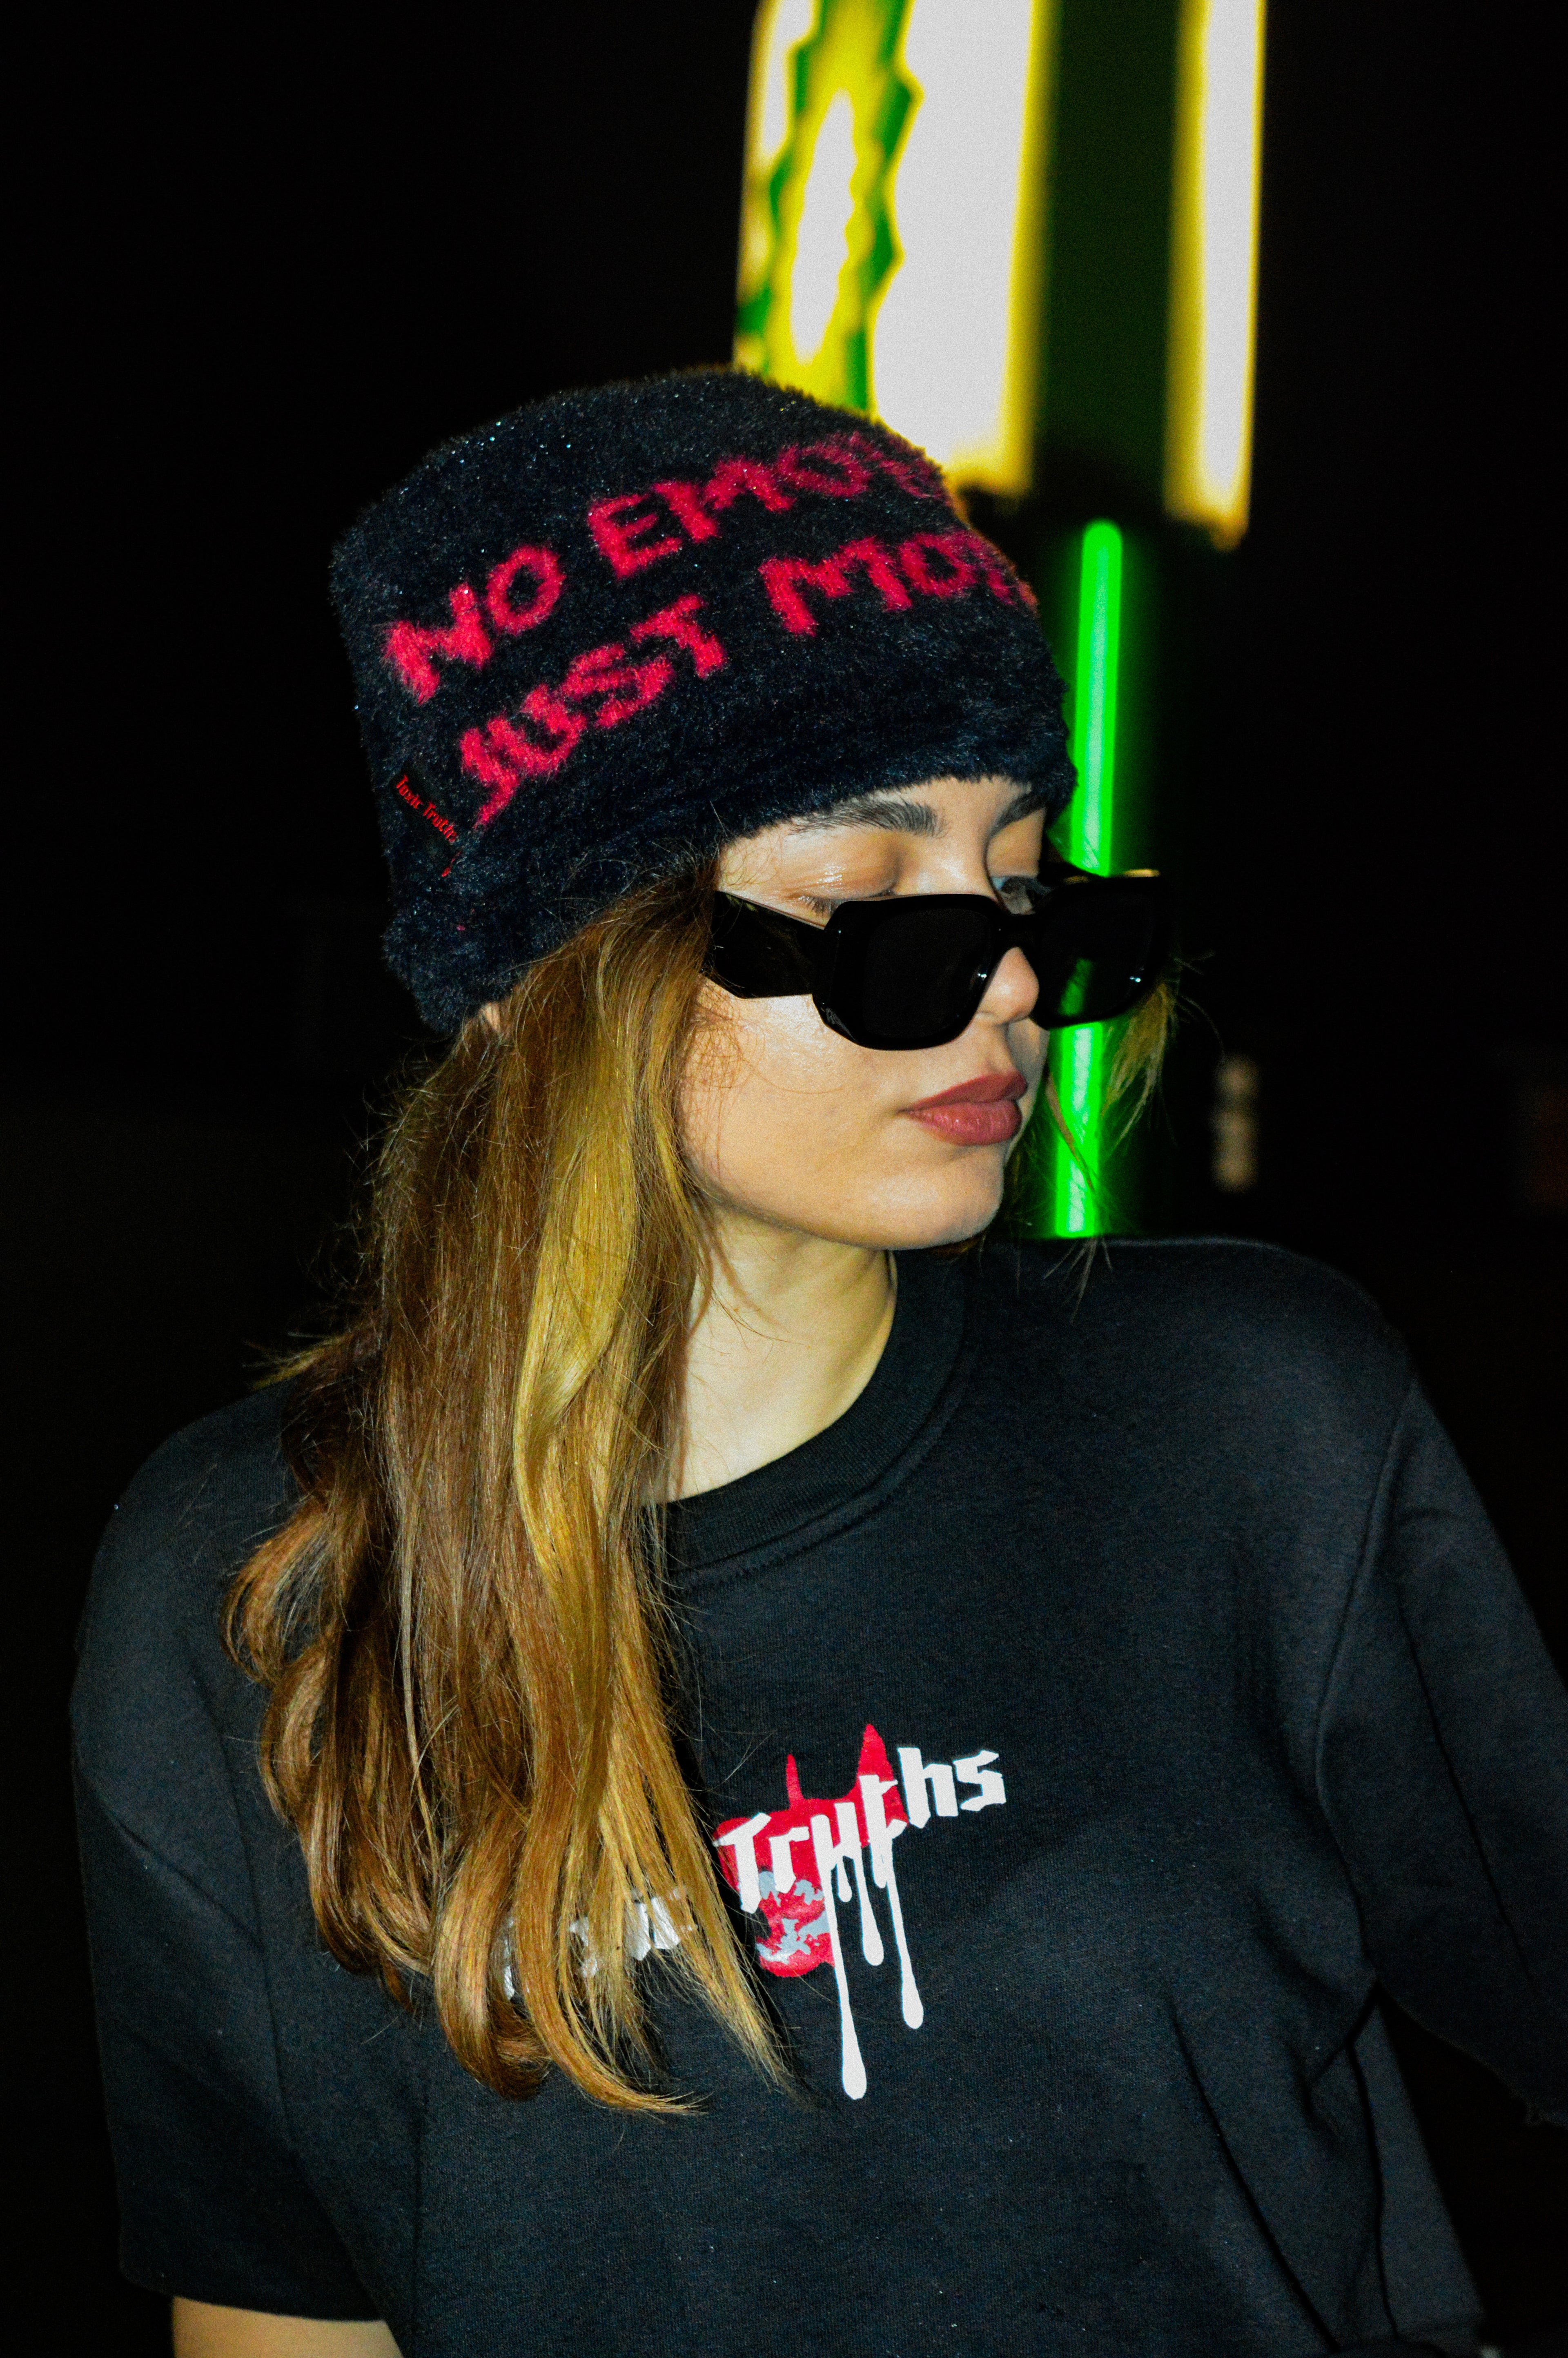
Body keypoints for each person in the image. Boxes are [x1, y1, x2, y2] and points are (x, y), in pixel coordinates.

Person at [73, 371, 1566, 2358]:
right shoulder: (253, 1584)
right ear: (542, 975)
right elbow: (284, 2314)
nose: (1013, 976)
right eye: (870, 907)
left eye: (1020, 880)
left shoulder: (1250, 1420)